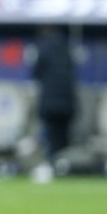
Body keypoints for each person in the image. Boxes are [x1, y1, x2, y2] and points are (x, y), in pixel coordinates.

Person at [33, 27, 77, 168]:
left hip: (50, 103)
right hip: (66, 103)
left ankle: (52, 165)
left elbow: (36, 73)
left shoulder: (44, 49)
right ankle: (64, 166)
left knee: (51, 137)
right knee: (63, 137)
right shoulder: (67, 49)